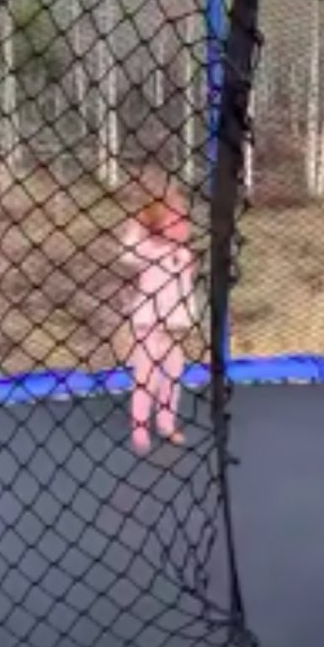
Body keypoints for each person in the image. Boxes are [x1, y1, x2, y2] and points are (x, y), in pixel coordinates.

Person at [119, 188, 196, 454]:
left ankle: (166, 423)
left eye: (183, 220)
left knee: (173, 376)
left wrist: (186, 320)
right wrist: (137, 223)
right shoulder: (148, 250)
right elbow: (127, 254)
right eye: (174, 220)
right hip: (148, 323)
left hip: (173, 327)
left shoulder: (184, 254)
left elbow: (186, 292)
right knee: (146, 378)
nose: (182, 225)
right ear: (158, 225)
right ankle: (140, 429)